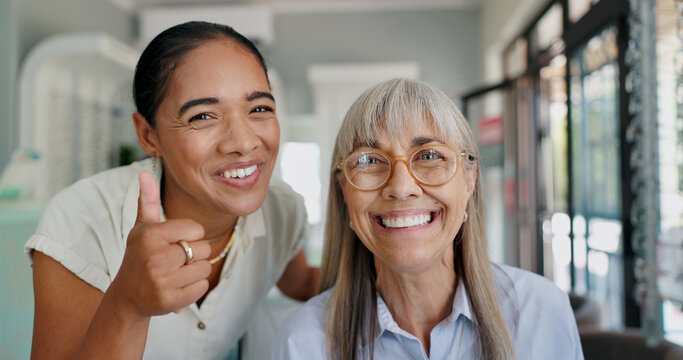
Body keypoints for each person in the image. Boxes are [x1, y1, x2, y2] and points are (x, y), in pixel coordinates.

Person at [26, 21, 318, 359]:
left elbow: (301, 282)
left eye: (260, 108)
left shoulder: (284, 209)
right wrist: (127, 307)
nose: (244, 142)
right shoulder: (81, 220)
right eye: (203, 116)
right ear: (149, 136)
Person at [272, 78, 583, 360]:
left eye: (430, 156)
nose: (401, 188)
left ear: (470, 179)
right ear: (343, 191)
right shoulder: (301, 344)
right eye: (368, 161)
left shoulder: (542, 313)